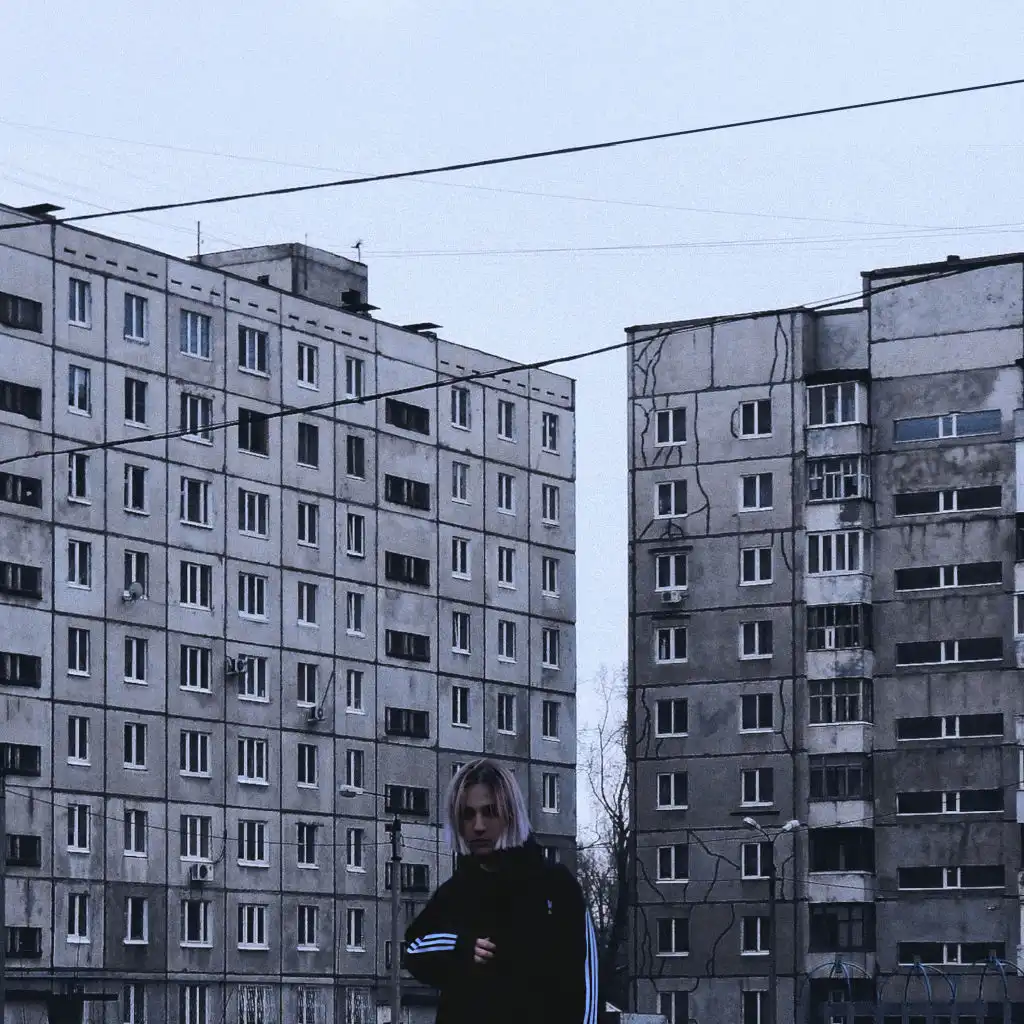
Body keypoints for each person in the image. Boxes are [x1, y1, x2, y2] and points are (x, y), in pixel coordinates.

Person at [404, 758, 598, 1024]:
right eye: (468, 815)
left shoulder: (555, 887)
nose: (478, 825)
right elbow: (413, 949)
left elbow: (587, 986)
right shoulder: (454, 895)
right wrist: (461, 948)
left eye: (490, 812)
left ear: (510, 814)